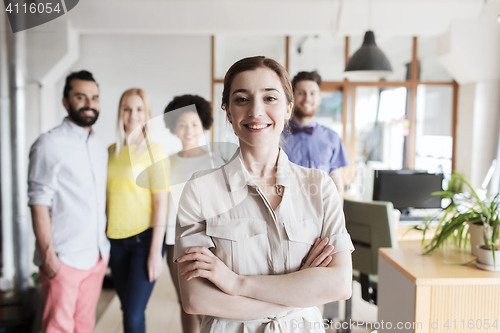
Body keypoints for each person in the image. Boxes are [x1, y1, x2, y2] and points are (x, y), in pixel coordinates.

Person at [174, 56, 354, 332]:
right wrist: (301, 290)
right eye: (242, 99)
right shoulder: (199, 191)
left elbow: (340, 284)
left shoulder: (320, 188)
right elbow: (197, 299)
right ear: (228, 112)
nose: (256, 111)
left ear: (288, 109)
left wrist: (236, 283)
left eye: (270, 98)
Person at [28, 70, 110, 333]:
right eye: (81, 97)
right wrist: (48, 255)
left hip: (96, 255)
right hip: (64, 258)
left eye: (95, 98)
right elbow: (38, 201)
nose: (90, 103)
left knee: (84, 326)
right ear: (65, 102)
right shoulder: (48, 145)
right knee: (57, 328)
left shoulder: (99, 145)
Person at [106, 88, 168, 333]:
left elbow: (161, 203)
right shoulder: (111, 151)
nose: (133, 114)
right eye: (127, 108)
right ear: (120, 113)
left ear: (147, 114)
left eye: (139, 109)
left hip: (144, 242)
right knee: (128, 309)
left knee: (133, 314)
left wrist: (155, 252)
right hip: (115, 241)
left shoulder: (155, 152)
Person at [163, 94, 225, 333]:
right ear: (174, 128)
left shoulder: (216, 160)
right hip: (175, 240)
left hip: (211, 241)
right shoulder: (167, 163)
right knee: (186, 301)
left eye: (194, 123)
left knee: (209, 301)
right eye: (182, 124)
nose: (188, 130)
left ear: (203, 124)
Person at [281, 71, 349, 197]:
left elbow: (337, 186)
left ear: (319, 99)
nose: (307, 98)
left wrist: (338, 216)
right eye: (301, 93)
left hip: (322, 211)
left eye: (312, 93)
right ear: (292, 97)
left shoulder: (332, 138)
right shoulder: (276, 136)